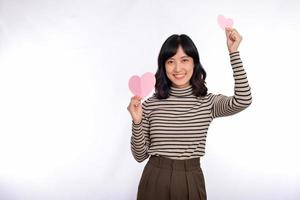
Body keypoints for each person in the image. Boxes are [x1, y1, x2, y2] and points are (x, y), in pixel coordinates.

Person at [127, 27, 252, 200]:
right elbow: (140, 156)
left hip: (191, 178)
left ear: (194, 63)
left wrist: (233, 52)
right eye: (171, 61)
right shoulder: (150, 105)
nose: (178, 68)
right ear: (164, 66)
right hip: (155, 178)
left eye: (184, 60)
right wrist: (137, 122)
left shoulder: (208, 102)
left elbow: (243, 99)